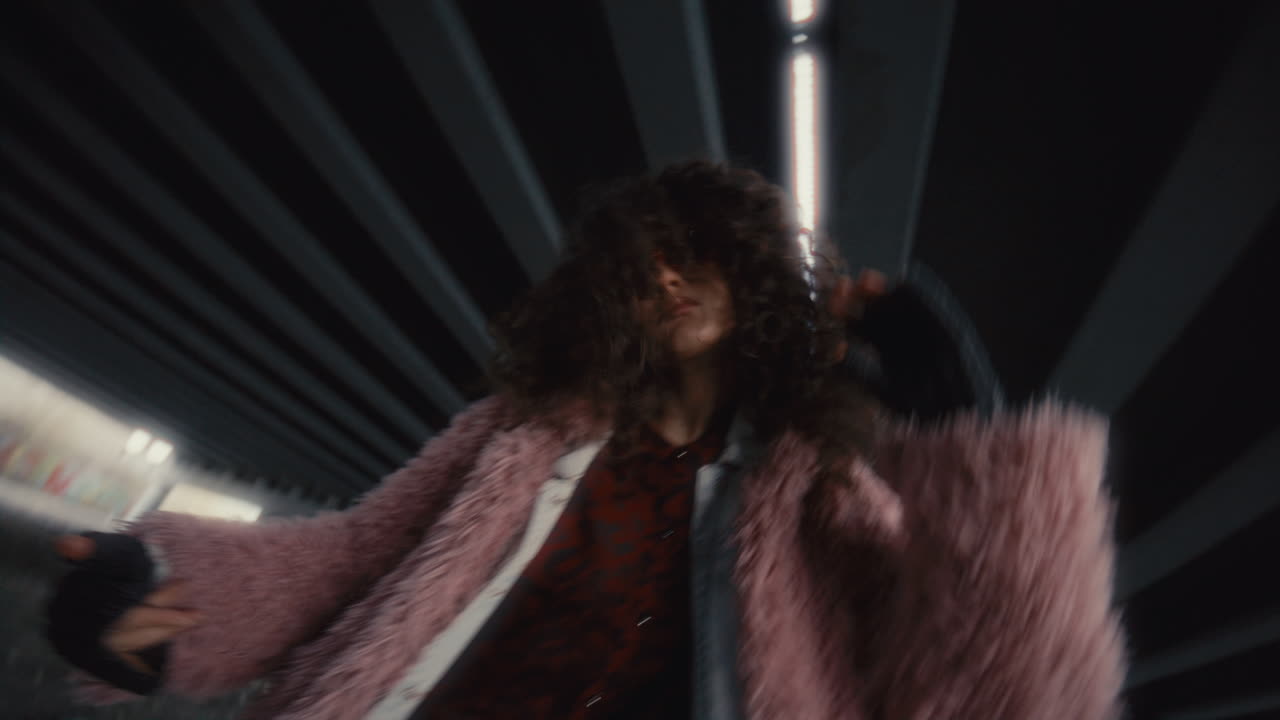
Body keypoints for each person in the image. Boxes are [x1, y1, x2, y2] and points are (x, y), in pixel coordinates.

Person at [46, 161, 1125, 719]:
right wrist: (162, 599)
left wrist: (971, 432)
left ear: (751, 275)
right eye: (638, 264)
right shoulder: (519, 439)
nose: (665, 276)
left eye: (694, 250)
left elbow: (997, 689)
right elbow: (350, 560)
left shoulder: (823, 491)